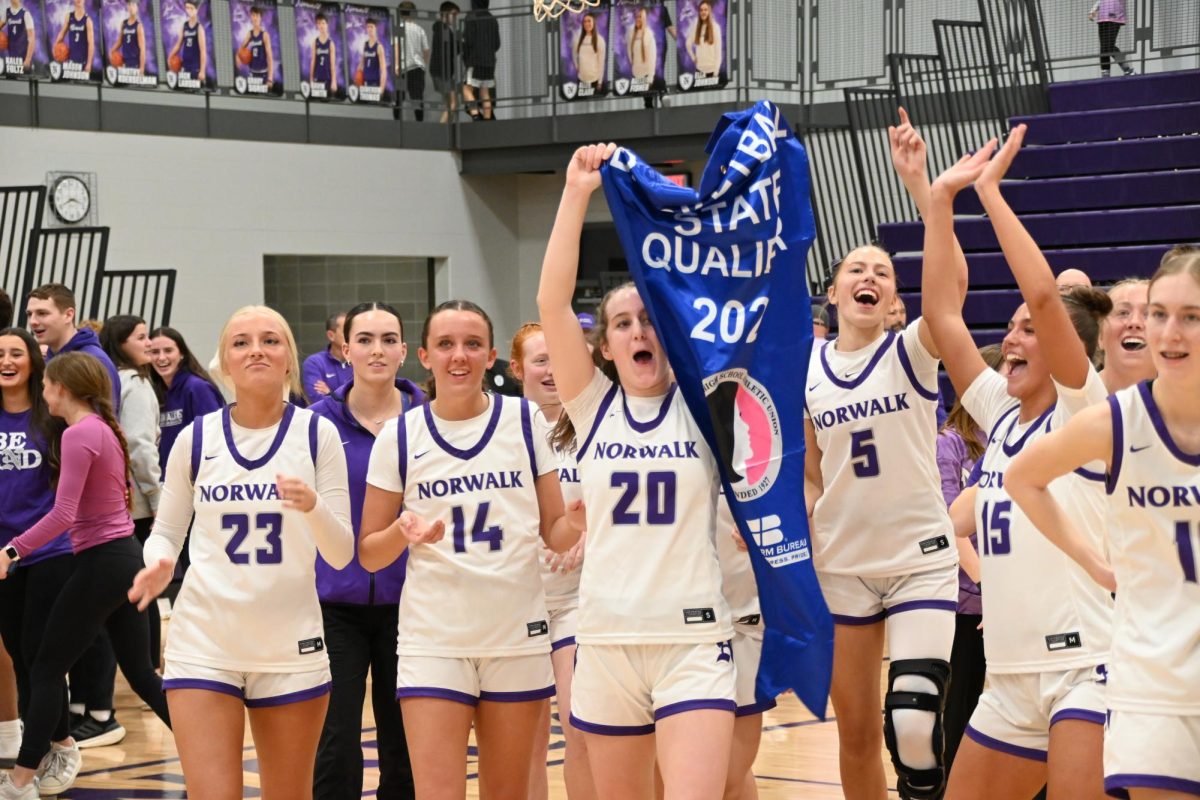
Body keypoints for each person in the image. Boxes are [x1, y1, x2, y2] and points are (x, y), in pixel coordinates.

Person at [538, 143, 736, 799]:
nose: (638, 330)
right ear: (607, 344)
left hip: (693, 642)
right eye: (623, 322)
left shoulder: (707, 404)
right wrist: (576, 194)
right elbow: (552, 302)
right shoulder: (591, 408)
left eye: (650, 317)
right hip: (607, 641)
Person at [922, 125, 1115, 799]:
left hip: (1084, 665)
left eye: (1027, 331)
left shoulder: (1080, 407)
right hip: (1008, 677)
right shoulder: (1000, 415)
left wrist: (991, 195)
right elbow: (943, 319)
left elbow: (1042, 298)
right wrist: (939, 204)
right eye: (1007, 328)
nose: (1011, 336)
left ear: (1070, 351)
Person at [358, 300, 582, 800]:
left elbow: (555, 533)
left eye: (472, 344)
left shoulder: (525, 423)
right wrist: (403, 532)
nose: (459, 356)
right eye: (446, 345)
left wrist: (582, 521)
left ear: (492, 355)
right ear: (424, 356)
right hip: (434, 640)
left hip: (515, 637)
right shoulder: (399, 434)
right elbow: (370, 554)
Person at [130, 306, 354, 799]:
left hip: (289, 647)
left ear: (290, 361)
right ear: (224, 363)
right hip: (204, 644)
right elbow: (165, 533)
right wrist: (158, 563)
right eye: (241, 341)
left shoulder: (317, 436)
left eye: (271, 340)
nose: (256, 349)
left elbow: (340, 554)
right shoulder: (195, 438)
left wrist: (312, 505)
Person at [803, 110, 961, 800]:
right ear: (835, 292)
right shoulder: (803, 367)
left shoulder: (912, 349)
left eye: (884, 273)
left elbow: (949, 288)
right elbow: (810, 469)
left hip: (919, 561)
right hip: (842, 567)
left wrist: (922, 188)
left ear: (894, 300)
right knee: (858, 736)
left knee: (915, 722)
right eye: (856, 270)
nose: (871, 277)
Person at [1006, 244, 1200, 799]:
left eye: (1190, 316)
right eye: (1159, 313)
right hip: (1150, 685)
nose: (1168, 331)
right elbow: (1023, 479)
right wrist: (1092, 560)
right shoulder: (1112, 420)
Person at [0, 352, 171, 800]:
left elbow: (63, 514)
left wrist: (13, 549)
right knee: (141, 675)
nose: (42, 392)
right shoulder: (98, 429)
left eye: (47, 385)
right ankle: (208, 750)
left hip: (102, 563)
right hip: (122, 559)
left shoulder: (80, 434)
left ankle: (20, 781)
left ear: (63, 387)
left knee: (45, 668)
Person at [309, 302, 424, 800]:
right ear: (345, 347)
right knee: (334, 737)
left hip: (416, 602)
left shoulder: (432, 419)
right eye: (366, 339)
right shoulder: (315, 425)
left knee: (405, 738)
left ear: (403, 350)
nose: (377, 350)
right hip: (334, 603)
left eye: (388, 339)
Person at [508, 322, 594, 800]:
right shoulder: (503, 427)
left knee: (580, 726)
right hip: (518, 602)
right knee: (526, 743)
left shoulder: (600, 421)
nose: (553, 370)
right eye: (541, 360)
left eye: (560, 358)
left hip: (580, 600)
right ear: (518, 367)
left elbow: (630, 500)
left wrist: (591, 535)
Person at [0, 328, 74, 786]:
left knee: (40, 655)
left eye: (14, 353)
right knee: (19, 653)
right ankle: (56, 741)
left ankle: (56, 750)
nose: (6, 361)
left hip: (50, 550)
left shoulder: (52, 419)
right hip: (2, 557)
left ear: (32, 360)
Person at [937, 343, 1003, 773]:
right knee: (959, 706)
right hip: (965, 601)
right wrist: (985, 586)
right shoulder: (949, 443)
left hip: (1007, 601)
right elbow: (948, 523)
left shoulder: (1006, 441)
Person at [100, 315, 163, 669]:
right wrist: (157, 497)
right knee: (144, 586)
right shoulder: (136, 383)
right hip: (137, 501)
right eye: (141, 337)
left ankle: (141, 663)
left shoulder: (112, 379)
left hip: (120, 496)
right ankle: (148, 664)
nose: (149, 343)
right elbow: (139, 446)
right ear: (121, 343)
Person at [26, 283, 120, 410]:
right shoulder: (46, 359)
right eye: (29, 314)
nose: (33, 321)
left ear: (68, 315)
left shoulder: (94, 360)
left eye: (42, 313)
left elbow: (102, 422)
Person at [149, 326, 225, 475]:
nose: (161, 357)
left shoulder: (197, 388)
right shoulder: (156, 392)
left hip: (196, 481)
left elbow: (214, 438)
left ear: (182, 353)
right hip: (169, 482)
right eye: (155, 352)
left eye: (168, 350)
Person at [1099, 278, 1155, 394]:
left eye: (1148, 314)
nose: (1134, 323)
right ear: (1100, 336)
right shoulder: (1070, 400)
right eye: (1123, 313)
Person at [461, 0, 499, 121]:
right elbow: (497, 44)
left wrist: (466, 56)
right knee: (485, 91)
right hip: (489, 62)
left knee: (466, 89)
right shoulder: (493, 19)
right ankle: (487, 121)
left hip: (475, 61)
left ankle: (476, 116)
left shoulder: (471, 17)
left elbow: (469, 41)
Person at [303, 313, 353, 404]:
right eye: (346, 331)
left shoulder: (359, 361)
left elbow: (366, 400)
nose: (351, 336)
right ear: (331, 335)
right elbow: (318, 401)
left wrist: (330, 393)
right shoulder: (314, 363)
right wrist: (345, 401)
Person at [394, 1, 428, 120]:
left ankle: (396, 124)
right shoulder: (420, 30)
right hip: (417, 68)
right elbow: (426, 51)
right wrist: (423, 64)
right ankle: (419, 123)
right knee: (417, 98)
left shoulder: (399, 28)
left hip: (402, 69)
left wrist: (397, 65)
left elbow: (397, 47)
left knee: (398, 98)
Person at [430, 1, 459, 123]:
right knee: (452, 103)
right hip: (443, 72)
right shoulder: (444, 30)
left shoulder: (439, 29)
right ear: (446, 14)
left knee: (449, 103)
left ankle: (445, 129)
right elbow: (450, 50)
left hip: (441, 72)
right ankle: (442, 129)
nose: (455, 18)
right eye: (453, 14)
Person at [1088, 0, 1134, 77]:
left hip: (1114, 17)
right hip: (1102, 19)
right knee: (1104, 48)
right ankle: (1105, 74)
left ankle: (1127, 69)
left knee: (1109, 46)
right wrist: (1093, 11)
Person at [167, 0, 206, 81]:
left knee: (195, 90)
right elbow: (178, 44)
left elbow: (203, 51)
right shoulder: (184, 26)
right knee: (185, 89)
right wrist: (170, 56)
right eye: (187, 8)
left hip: (195, 66)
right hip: (185, 65)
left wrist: (202, 71)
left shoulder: (199, 28)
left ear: (196, 10)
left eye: (191, 8)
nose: (189, 10)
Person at [54, 0, 94, 71]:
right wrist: (55, 47)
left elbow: (91, 44)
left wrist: (89, 64)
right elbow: (61, 34)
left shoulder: (88, 21)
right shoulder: (69, 17)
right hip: (71, 62)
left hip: (83, 61)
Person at [686, 0, 721, 78]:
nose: (703, 12)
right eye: (701, 10)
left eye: (705, 10)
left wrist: (716, 71)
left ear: (709, 11)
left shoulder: (715, 27)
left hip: (712, 71)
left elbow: (718, 51)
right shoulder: (696, 27)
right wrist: (693, 57)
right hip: (699, 70)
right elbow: (688, 43)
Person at [242, 6, 273, 88]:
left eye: (257, 15)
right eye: (253, 15)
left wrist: (270, 78)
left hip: (263, 73)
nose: (255, 18)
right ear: (251, 18)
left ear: (260, 18)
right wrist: (244, 54)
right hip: (252, 73)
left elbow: (270, 57)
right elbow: (241, 49)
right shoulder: (249, 34)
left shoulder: (265, 35)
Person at [627, 6, 657, 87]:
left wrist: (650, 78)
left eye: (640, 16)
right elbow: (629, 51)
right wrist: (634, 65)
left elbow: (653, 58)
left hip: (647, 76)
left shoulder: (649, 34)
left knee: (648, 97)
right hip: (636, 75)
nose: (638, 19)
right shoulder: (631, 33)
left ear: (644, 18)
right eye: (636, 16)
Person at [574, 12, 605, 90]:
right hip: (581, 80)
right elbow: (574, 54)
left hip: (594, 80)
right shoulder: (578, 39)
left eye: (589, 21)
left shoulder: (600, 40)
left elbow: (601, 62)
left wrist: (600, 82)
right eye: (585, 21)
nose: (587, 23)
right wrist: (577, 66)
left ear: (594, 23)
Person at [3, 0, 35, 71]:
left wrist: (27, 59)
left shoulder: (25, 14)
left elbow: (32, 39)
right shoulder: (7, 12)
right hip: (11, 60)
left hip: (23, 59)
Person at [310, 12, 337, 96]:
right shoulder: (315, 42)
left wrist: (334, 81)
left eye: (323, 23)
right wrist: (311, 79)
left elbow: (332, 65)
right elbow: (313, 61)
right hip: (317, 78)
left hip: (327, 78)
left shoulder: (330, 44)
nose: (321, 25)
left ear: (327, 25)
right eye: (319, 23)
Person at [117, 0, 145, 74]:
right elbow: (120, 41)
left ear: (137, 7)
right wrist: (112, 50)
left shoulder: (138, 26)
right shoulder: (124, 24)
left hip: (134, 63)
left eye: (133, 4)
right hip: (124, 62)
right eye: (129, 4)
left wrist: (142, 68)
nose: (131, 7)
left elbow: (142, 49)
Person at [360, 18, 386, 94]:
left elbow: (383, 70)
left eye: (372, 27)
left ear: (376, 28)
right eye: (368, 27)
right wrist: (358, 74)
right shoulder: (365, 45)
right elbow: (362, 62)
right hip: (365, 81)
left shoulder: (379, 47)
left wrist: (381, 88)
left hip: (375, 83)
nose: (370, 29)